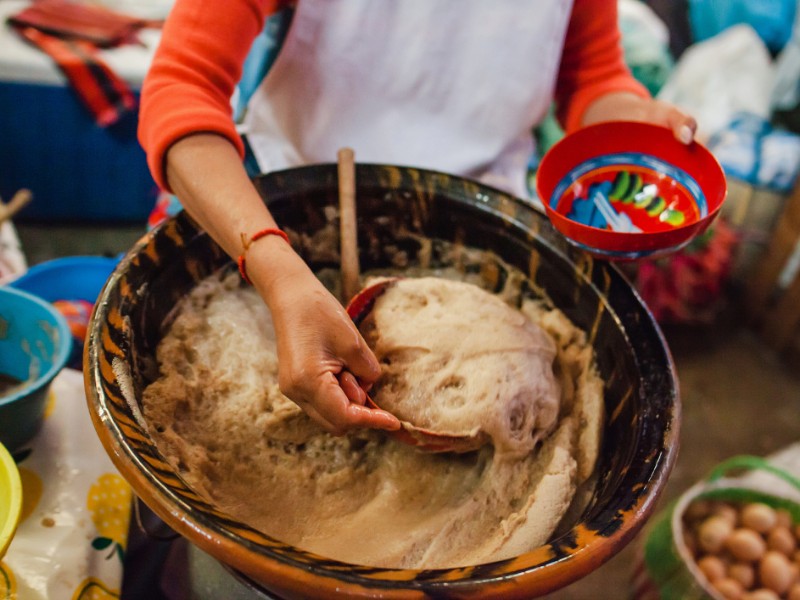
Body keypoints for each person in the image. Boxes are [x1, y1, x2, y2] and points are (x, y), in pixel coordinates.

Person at [138, 0, 696, 436]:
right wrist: (278, 271)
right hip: (289, 222)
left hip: (485, 216)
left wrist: (631, 125)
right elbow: (181, 88)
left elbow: (592, 74)